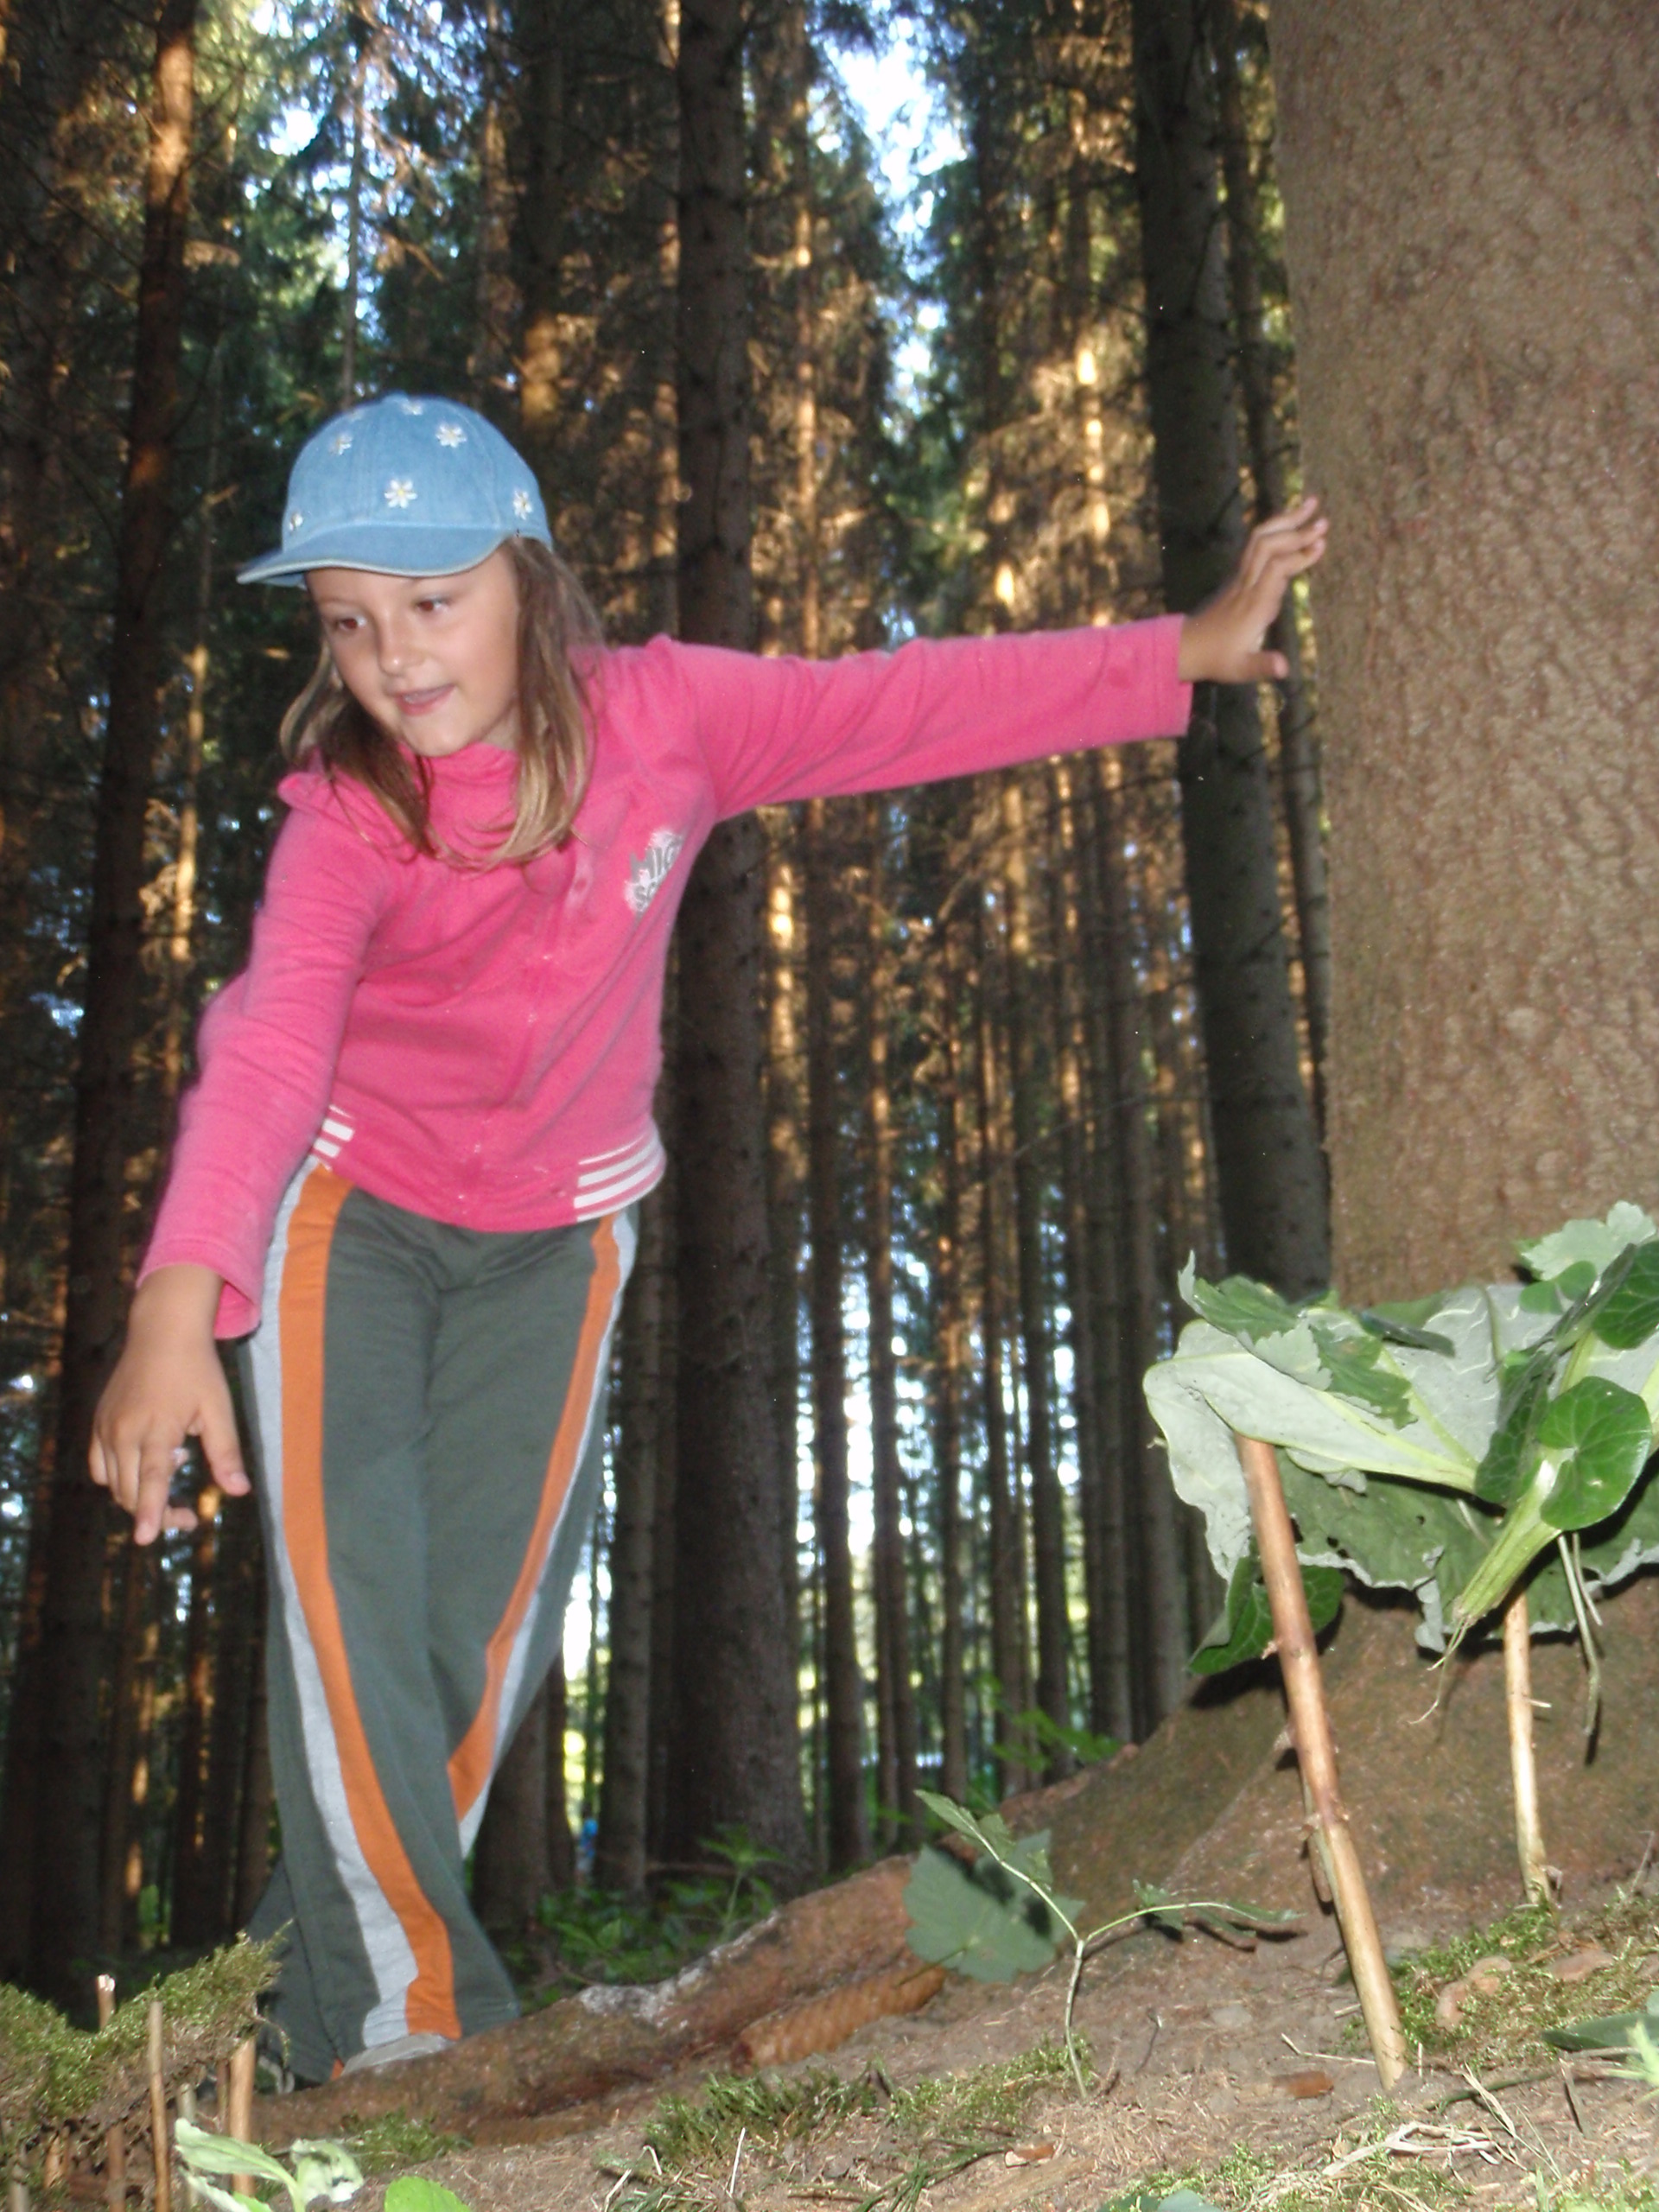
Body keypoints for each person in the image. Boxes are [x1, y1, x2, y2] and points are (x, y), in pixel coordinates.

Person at [89, 392, 1325, 2081]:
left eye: (431, 600)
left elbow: (898, 704)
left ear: (528, 576)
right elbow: (271, 1043)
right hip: (343, 1221)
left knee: (475, 1650)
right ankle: (412, 2034)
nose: (393, 655)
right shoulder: (348, 814)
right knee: (349, 1600)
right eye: (347, 620)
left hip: (557, 1245)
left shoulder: (667, 719)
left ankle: (282, 2024)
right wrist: (179, 1299)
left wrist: (1177, 651)